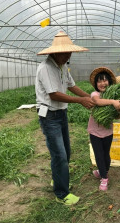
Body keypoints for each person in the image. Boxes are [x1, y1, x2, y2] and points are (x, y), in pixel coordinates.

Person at [35, 31, 95, 205]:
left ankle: (58, 178)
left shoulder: (62, 66)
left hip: (61, 114)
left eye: (70, 53)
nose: (68, 56)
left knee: (66, 152)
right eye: (66, 53)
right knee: (59, 154)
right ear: (55, 52)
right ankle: (61, 193)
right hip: (49, 116)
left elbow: (72, 86)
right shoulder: (46, 68)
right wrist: (80, 101)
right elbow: (54, 95)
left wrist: (91, 98)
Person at [87, 67, 120, 191]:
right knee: (98, 154)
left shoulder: (113, 96)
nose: (103, 83)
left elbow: (117, 115)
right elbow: (98, 102)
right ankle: (104, 178)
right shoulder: (95, 94)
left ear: (109, 82)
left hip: (108, 131)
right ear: (96, 84)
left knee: (106, 153)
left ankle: (104, 171)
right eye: (99, 81)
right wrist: (113, 102)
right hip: (95, 131)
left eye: (105, 80)